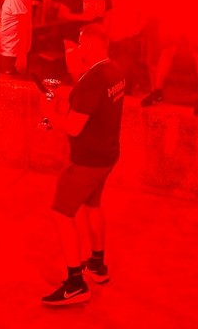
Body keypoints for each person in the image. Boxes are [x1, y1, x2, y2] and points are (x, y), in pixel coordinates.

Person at [38, 23, 125, 307]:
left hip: (87, 162)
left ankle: (75, 283)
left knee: (61, 213)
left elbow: (74, 127)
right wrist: (60, 94)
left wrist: (49, 114)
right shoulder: (113, 71)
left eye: (80, 43)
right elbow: (89, 101)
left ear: (92, 45)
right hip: (107, 155)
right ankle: (97, 266)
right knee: (92, 206)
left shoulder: (93, 81)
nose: (77, 48)